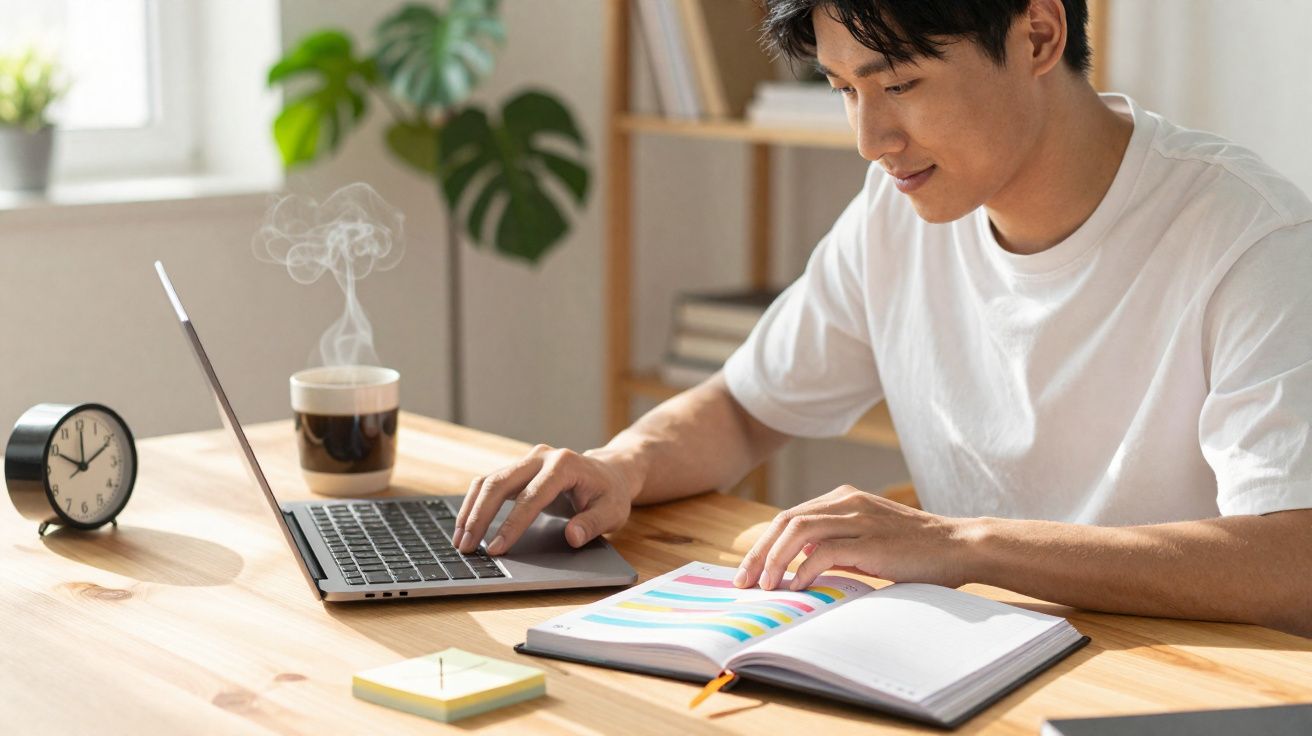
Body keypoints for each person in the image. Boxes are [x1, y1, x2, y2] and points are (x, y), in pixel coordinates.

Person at [454, 0, 1312, 635]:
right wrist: (622, 466)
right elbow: (747, 407)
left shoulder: (1250, 238)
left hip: (1181, 685)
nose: (871, 137)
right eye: (842, 89)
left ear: (1039, 36)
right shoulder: (896, 213)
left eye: (899, 83)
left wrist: (961, 544)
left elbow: (1293, 562)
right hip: (968, 662)